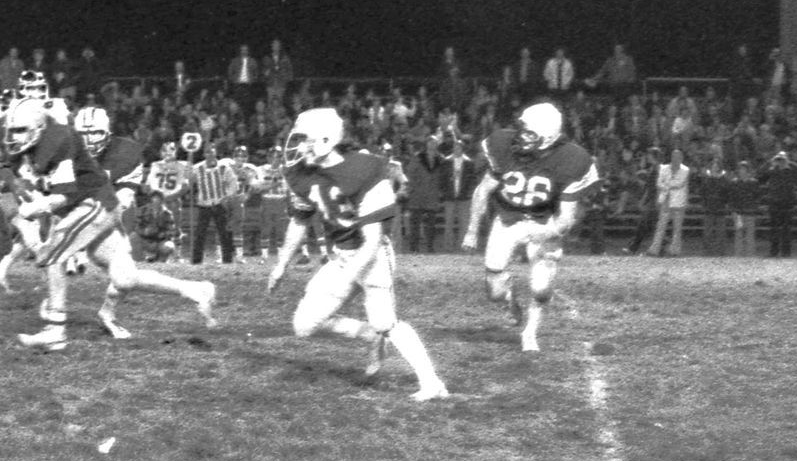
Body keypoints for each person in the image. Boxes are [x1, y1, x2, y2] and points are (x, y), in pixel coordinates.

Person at [265, 108, 448, 398]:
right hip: (341, 256)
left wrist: (348, 277)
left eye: (305, 140)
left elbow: (372, 240)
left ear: (326, 140)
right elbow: (300, 219)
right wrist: (281, 265)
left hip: (372, 257)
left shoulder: (366, 168)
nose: (299, 147)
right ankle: (371, 336)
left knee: (386, 321)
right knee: (304, 325)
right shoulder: (303, 173)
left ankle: (432, 383)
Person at [9, 95, 216, 349]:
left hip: (101, 209)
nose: (89, 139)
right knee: (124, 278)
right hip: (80, 210)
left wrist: (44, 213)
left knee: (55, 255)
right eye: (84, 133)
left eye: (95, 133)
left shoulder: (122, 152)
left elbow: (116, 198)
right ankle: (194, 289)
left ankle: (56, 326)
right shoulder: (54, 146)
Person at [463, 101, 599, 354]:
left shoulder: (571, 159)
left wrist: (545, 234)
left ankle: (530, 332)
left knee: (541, 288)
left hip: (545, 222)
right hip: (508, 218)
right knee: (494, 291)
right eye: (522, 130)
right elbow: (483, 190)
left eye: (530, 133)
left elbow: (567, 219)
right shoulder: (504, 145)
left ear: (548, 137)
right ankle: (510, 299)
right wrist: (472, 230)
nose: (522, 137)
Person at [187, 139, 241, 265]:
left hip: (219, 203)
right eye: (207, 152)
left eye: (211, 152)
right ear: (204, 154)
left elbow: (233, 182)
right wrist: (188, 171)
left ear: (216, 152)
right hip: (204, 204)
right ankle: (196, 261)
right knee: (200, 233)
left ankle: (227, 260)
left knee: (225, 233)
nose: (210, 154)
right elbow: (188, 180)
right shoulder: (197, 168)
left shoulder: (224, 167)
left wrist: (227, 197)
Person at [649, 148, 691, 257]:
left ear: (681, 158)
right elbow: (659, 183)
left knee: (677, 228)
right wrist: (667, 186)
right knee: (660, 226)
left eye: (678, 157)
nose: (675, 159)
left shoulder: (685, 170)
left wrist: (666, 185)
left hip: (678, 202)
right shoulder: (663, 168)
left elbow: (679, 183)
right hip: (665, 201)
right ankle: (654, 250)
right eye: (673, 156)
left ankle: (675, 251)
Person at [763, 152, 797, 258]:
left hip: (787, 203)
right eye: (779, 159)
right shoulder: (772, 171)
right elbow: (760, 174)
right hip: (774, 202)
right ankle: (773, 251)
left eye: (782, 159)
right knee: (774, 228)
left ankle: (786, 252)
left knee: (786, 229)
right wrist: (770, 162)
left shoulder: (791, 171)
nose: (781, 162)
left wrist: (789, 162)